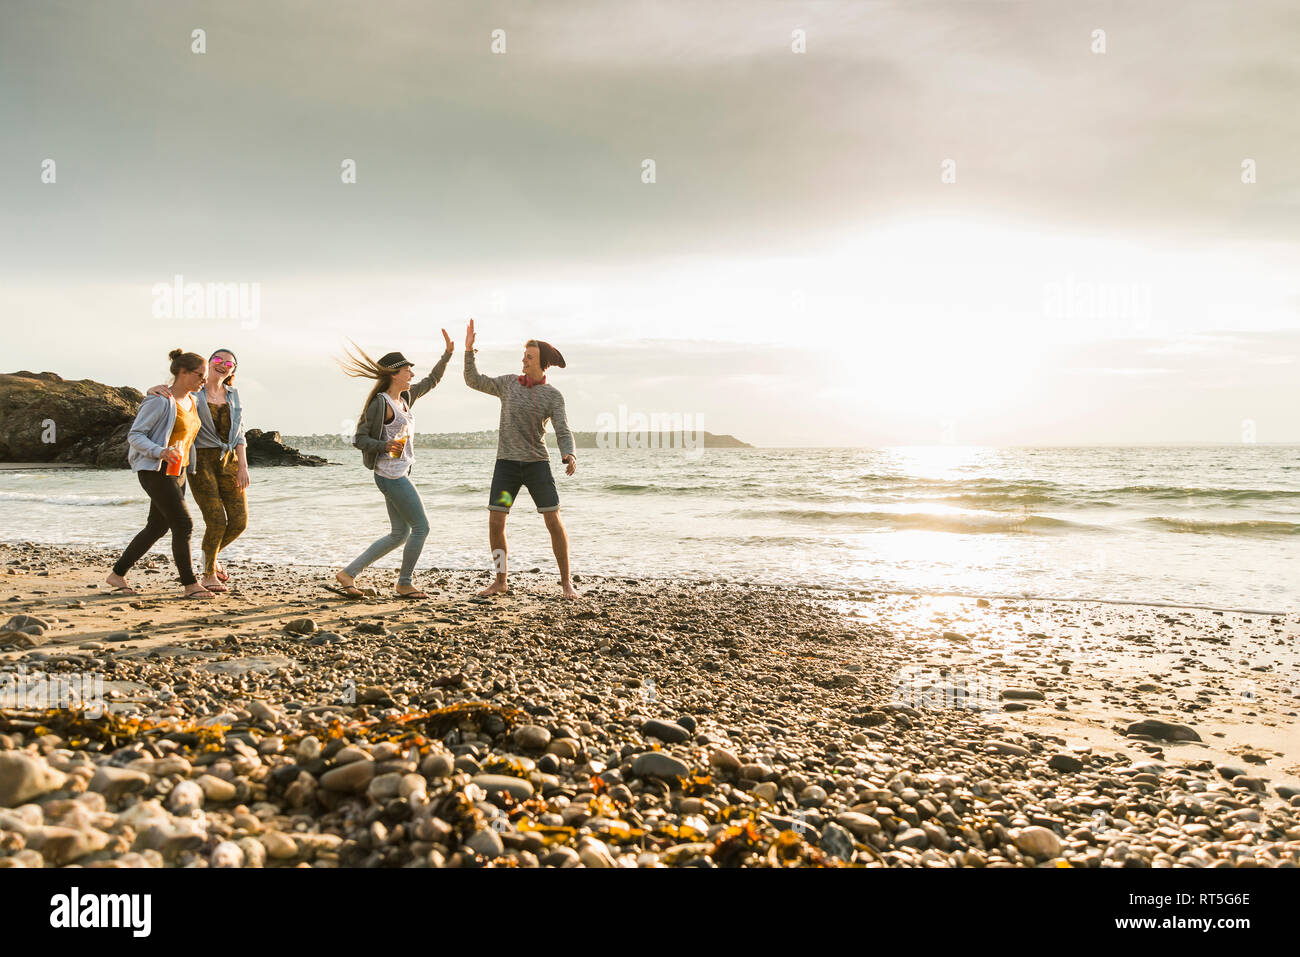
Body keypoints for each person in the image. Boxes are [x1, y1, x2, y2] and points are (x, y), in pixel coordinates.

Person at [331, 330, 455, 599]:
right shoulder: (381, 404)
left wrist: (447, 355)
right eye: (408, 370)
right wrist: (384, 446)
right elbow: (359, 438)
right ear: (395, 373)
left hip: (399, 471)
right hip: (390, 475)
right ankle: (404, 582)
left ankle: (348, 574)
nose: (411, 374)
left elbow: (432, 380)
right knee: (422, 527)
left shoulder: (405, 399)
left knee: (400, 533)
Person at [463, 318, 580, 599]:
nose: (523, 361)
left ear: (542, 363)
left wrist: (569, 453)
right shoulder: (507, 385)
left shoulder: (553, 396)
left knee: (553, 521)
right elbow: (473, 380)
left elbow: (563, 429)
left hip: (536, 467)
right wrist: (469, 351)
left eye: (529, 357)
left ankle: (566, 583)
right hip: (507, 468)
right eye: (524, 356)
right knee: (496, 522)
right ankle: (500, 580)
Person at [105, 349, 213, 599]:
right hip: (155, 470)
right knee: (183, 524)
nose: (203, 381)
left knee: (156, 527)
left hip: (179, 470)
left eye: (204, 377)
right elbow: (135, 435)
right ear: (182, 372)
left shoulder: (193, 401)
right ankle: (190, 584)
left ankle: (117, 575)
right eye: (200, 375)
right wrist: (160, 451)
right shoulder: (159, 400)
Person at [145, 349, 249, 592]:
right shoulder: (195, 391)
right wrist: (153, 389)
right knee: (215, 520)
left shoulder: (233, 395)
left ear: (233, 370)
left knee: (239, 521)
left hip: (230, 461)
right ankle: (208, 575)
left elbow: (240, 433)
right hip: (200, 461)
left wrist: (243, 466)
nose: (223, 365)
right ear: (209, 363)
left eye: (230, 363)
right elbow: (173, 396)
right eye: (218, 360)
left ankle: (208, 560)